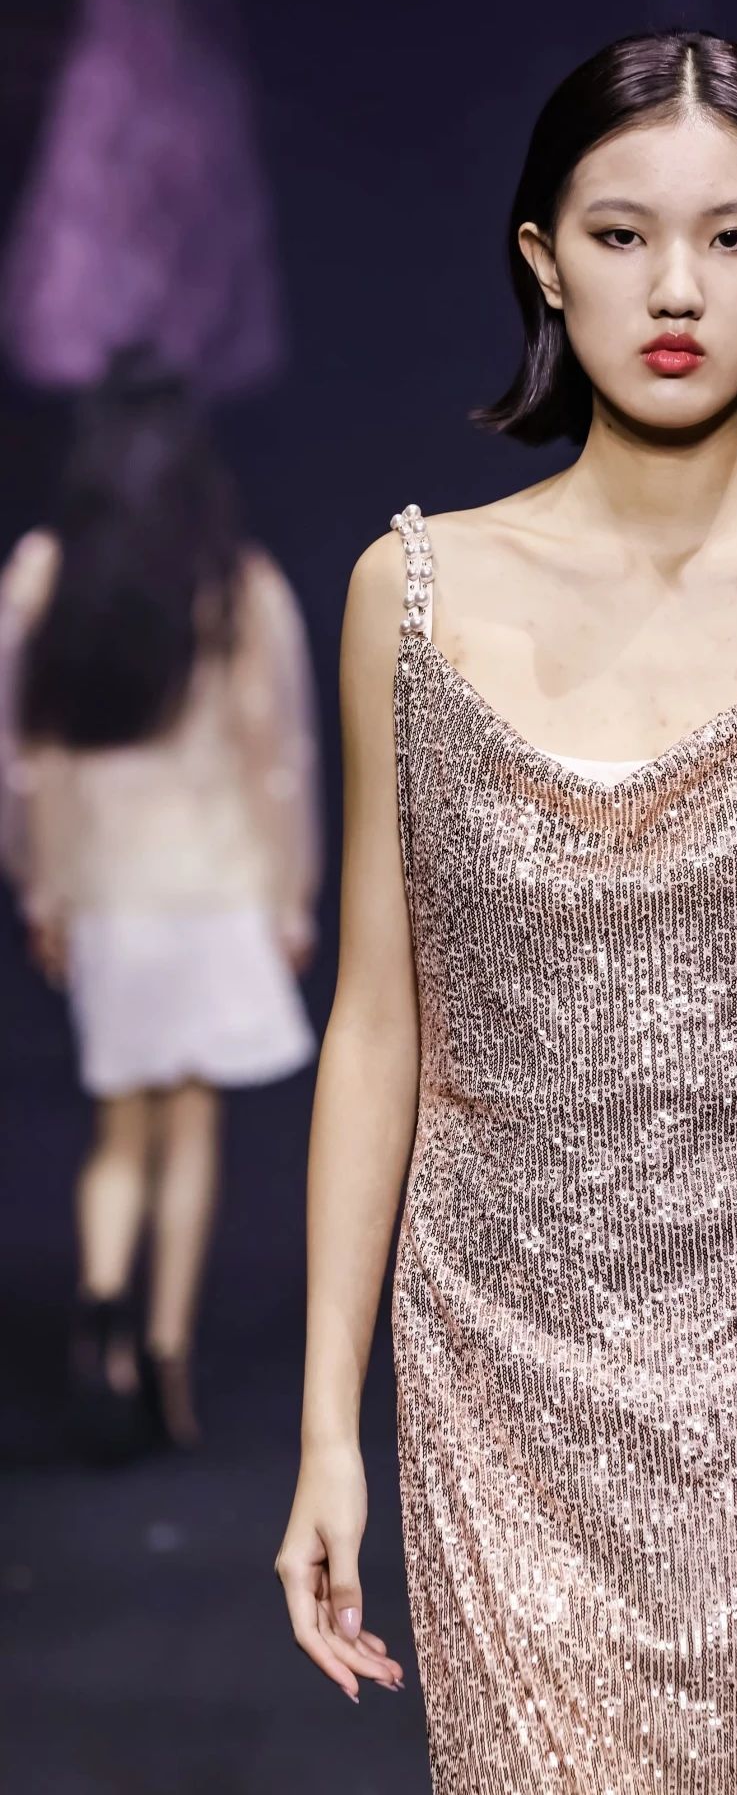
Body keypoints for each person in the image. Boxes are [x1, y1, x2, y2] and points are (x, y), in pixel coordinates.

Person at [275, 28, 737, 1785]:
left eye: (732, 236)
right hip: (499, 1376)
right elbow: (380, 1026)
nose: (676, 287)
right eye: (621, 235)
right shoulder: (412, 593)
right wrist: (326, 1431)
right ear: (543, 259)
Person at [0, 344, 322, 1463]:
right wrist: (291, 894)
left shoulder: (45, 574)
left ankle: (102, 1301)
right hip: (215, 885)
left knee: (117, 1126)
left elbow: (27, 759)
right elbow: (275, 756)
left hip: (110, 889)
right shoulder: (230, 578)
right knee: (190, 1126)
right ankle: (166, 1350)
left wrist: (44, 885)